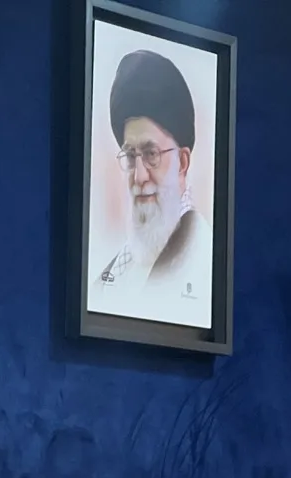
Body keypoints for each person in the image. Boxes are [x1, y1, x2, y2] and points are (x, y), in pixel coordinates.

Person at [93, 49, 212, 310]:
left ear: (182, 162)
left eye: (151, 154)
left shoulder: (205, 260)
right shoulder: (112, 274)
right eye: (130, 156)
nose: (139, 176)